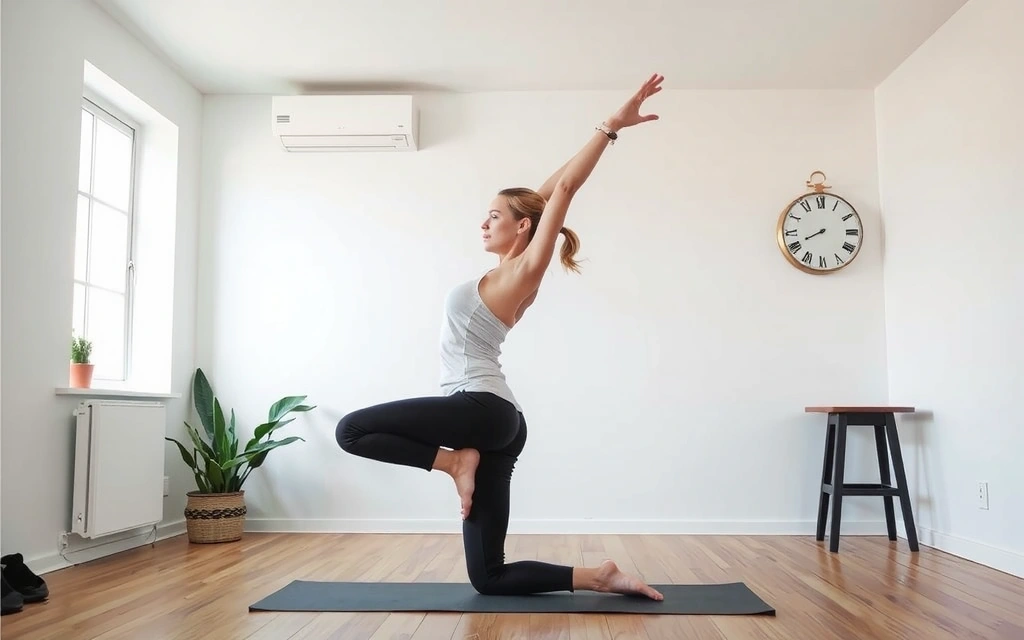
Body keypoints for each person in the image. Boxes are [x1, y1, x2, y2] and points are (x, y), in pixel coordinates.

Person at [336, 74, 665, 600]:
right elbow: (545, 192)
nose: (483, 222)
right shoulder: (502, 272)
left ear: (522, 229)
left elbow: (563, 190)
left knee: (350, 431)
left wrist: (610, 127)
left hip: (482, 409)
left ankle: (453, 463)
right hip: (498, 424)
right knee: (489, 578)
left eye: (494, 216)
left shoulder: (523, 272)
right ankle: (598, 577)